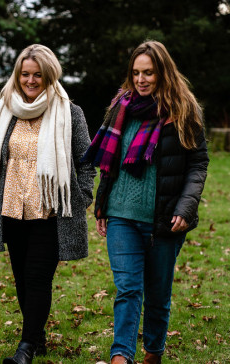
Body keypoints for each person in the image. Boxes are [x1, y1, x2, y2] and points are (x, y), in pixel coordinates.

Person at [82, 40, 209, 364]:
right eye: (136, 73)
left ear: (162, 72)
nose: (141, 79)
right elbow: (109, 163)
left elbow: (198, 163)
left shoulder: (183, 110)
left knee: (157, 295)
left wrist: (186, 207)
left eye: (148, 73)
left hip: (164, 219)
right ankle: (121, 357)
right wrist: (102, 204)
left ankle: (153, 354)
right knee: (127, 289)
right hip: (122, 215)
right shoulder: (120, 107)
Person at [0, 44, 96, 364]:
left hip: (50, 211)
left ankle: (26, 347)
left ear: (49, 75)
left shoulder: (69, 112)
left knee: (37, 278)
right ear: (18, 76)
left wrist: (82, 198)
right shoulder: (4, 109)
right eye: (25, 74)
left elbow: (86, 162)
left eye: (37, 75)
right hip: (11, 208)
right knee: (21, 279)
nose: (31, 81)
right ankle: (38, 336)